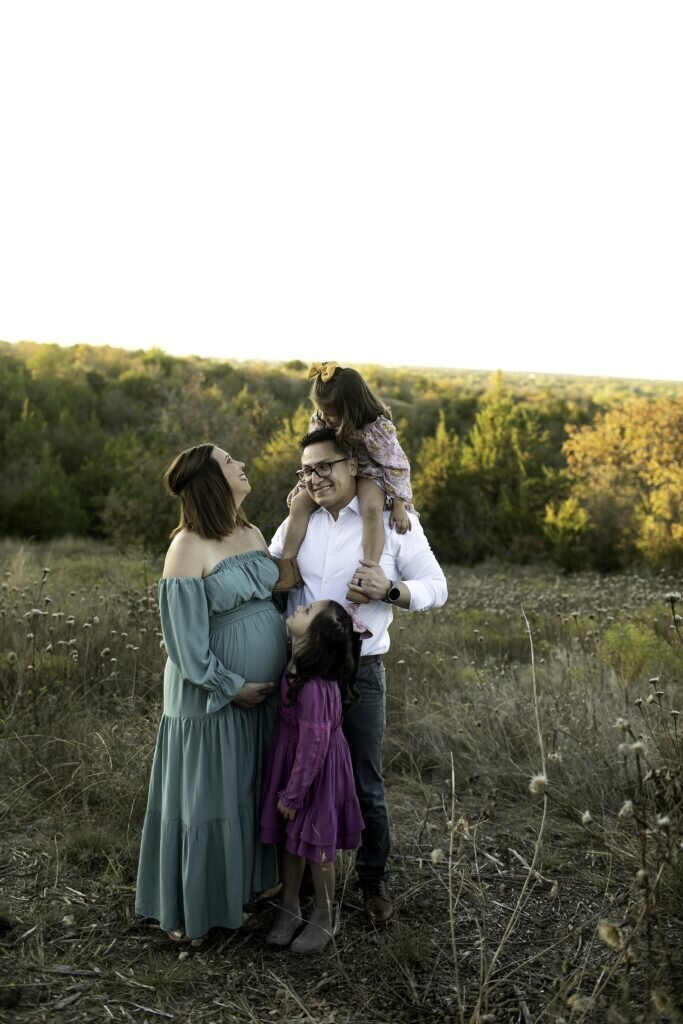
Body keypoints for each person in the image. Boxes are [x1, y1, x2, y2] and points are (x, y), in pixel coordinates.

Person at [270, 427, 448, 924]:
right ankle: (297, 884)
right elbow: (272, 575)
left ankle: (372, 881)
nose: (316, 477)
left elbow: (437, 587)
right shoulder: (296, 524)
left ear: (354, 465)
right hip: (299, 675)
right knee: (295, 775)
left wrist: (391, 590)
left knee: (363, 782)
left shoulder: (394, 523)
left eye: (325, 466)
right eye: (307, 470)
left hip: (360, 672)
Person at [135, 443, 288, 942]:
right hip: (211, 696)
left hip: (261, 697)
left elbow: (274, 593)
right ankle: (198, 908)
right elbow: (183, 640)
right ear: (210, 481)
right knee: (211, 799)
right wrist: (230, 685)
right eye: (229, 462)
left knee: (248, 790)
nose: (241, 465)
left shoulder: (252, 532)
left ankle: (244, 888)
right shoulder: (187, 546)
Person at [260, 599, 367, 953]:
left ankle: (324, 915)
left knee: (318, 847)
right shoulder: (296, 666)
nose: (301, 606)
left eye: (307, 611)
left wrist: (293, 794)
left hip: (315, 773)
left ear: (315, 639)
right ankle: (289, 907)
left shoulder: (315, 686)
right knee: (290, 841)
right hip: (294, 764)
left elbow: (314, 746)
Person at [275, 362, 415, 604]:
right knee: (298, 504)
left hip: (370, 473)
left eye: (331, 414)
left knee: (370, 508)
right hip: (335, 471)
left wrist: (399, 502)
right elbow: (316, 454)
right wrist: (303, 483)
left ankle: (366, 574)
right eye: (322, 412)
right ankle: (287, 569)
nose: (326, 419)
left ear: (351, 407)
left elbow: (396, 465)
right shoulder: (322, 419)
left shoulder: (377, 426)